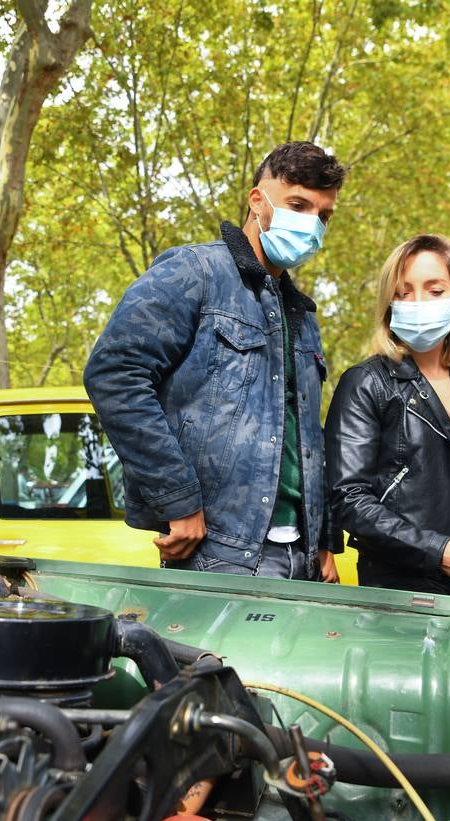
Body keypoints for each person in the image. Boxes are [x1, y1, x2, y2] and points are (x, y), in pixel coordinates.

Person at [84, 141, 345, 582]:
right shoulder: (194, 272)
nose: (311, 224)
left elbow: (307, 437)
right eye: (297, 204)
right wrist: (178, 498)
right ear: (257, 201)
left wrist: (323, 542)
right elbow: (115, 375)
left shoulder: (303, 315)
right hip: (220, 552)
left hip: (302, 558)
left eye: (322, 215)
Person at [325, 233, 450, 603]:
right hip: (408, 593)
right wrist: (440, 550)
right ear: (389, 302)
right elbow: (348, 499)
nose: (418, 302)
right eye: (404, 292)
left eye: (434, 291)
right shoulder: (366, 383)